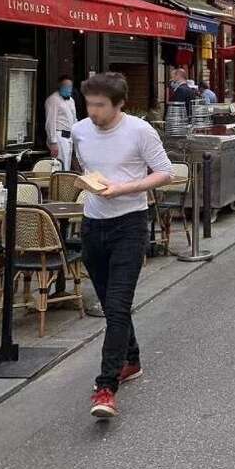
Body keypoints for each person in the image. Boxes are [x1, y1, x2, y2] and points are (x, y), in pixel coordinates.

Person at [71, 73, 173, 419]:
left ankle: (106, 387)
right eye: (90, 104)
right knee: (109, 302)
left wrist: (124, 188)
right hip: (92, 224)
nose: (93, 112)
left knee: (116, 306)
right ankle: (132, 360)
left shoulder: (140, 131)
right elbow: (84, 166)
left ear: (119, 104)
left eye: (100, 105)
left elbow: (165, 172)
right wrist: (91, 184)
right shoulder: (80, 130)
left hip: (130, 224)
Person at [45, 75, 77, 171]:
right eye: (65, 86)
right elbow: (50, 122)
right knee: (60, 166)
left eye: (70, 86)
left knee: (67, 166)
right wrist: (53, 142)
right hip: (59, 136)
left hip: (69, 137)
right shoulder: (53, 100)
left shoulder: (71, 100)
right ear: (59, 86)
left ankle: (65, 185)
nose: (68, 89)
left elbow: (74, 119)